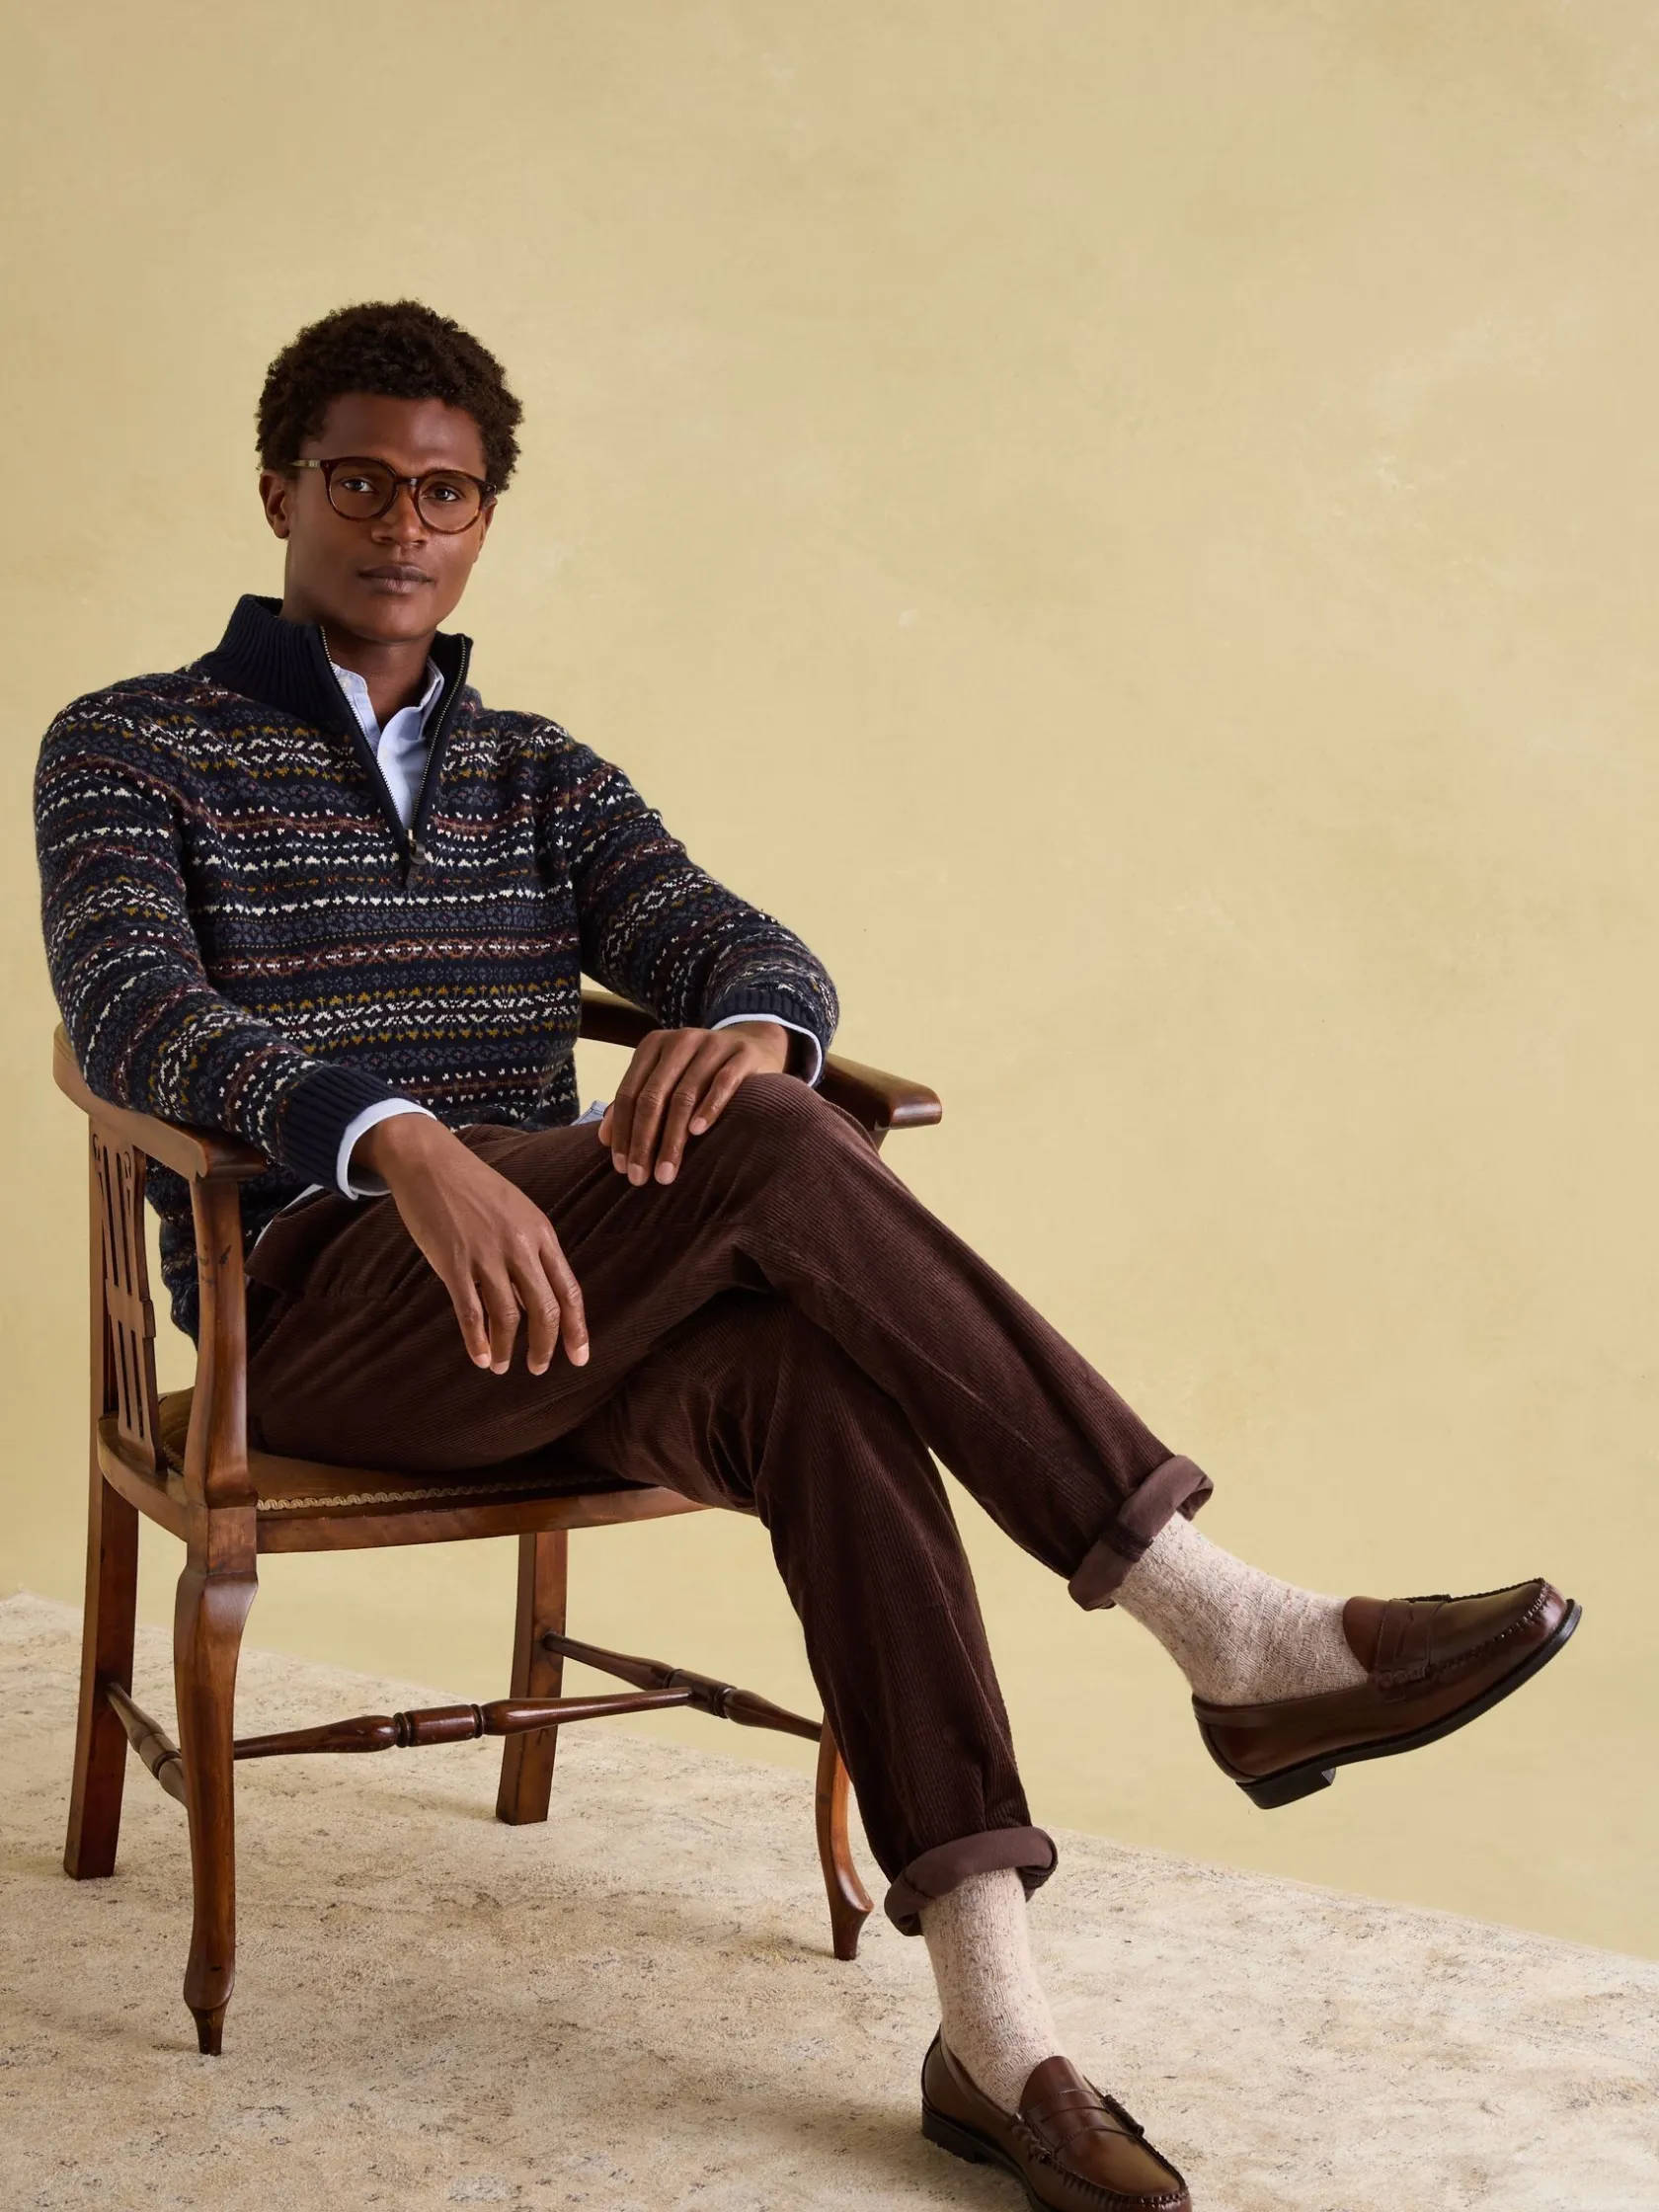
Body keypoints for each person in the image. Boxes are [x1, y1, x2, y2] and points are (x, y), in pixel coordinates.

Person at [36, 300, 1579, 2212]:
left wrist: (756, 1023)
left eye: (448, 494)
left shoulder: (538, 771)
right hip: (324, 1314)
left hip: (561, 1309)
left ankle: (999, 2033)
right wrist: (403, 1141)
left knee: (815, 1359)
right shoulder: (131, 747)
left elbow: (737, 940)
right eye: (360, 482)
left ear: (486, 517)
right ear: (280, 490)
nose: (403, 526)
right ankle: (1226, 1624)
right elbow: (131, 1013)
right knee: (774, 1142)